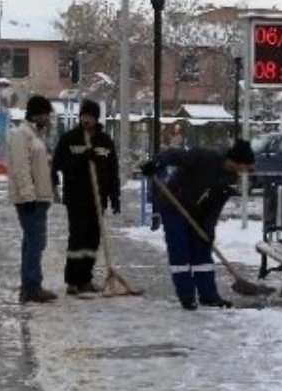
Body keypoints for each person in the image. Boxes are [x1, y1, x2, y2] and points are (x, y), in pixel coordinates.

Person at [140, 139, 255, 310]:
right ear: (237, 161)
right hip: (174, 206)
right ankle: (186, 295)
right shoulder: (204, 157)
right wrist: (156, 163)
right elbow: (173, 155)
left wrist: (208, 230)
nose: (247, 171)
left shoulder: (230, 179)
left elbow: (214, 208)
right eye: (247, 166)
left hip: (198, 214)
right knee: (180, 252)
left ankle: (208, 295)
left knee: (202, 252)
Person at [52, 99, 120, 295]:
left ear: (96, 118)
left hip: (98, 198)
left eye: (90, 116)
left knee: (92, 239)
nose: (86, 120)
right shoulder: (70, 139)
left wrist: (115, 196)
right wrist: (81, 159)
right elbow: (58, 164)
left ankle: (86, 279)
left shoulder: (105, 141)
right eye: (84, 116)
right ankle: (73, 280)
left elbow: (112, 170)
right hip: (76, 197)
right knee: (77, 238)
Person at [9, 95, 58, 304]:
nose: (49, 118)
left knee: (31, 241)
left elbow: (40, 165)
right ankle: (32, 286)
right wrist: (28, 196)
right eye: (47, 114)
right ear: (37, 114)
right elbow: (21, 168)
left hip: (40, 198)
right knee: (37, 241)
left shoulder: (36, 135)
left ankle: (29, 285)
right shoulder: (21, 134)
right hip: (31, 199)